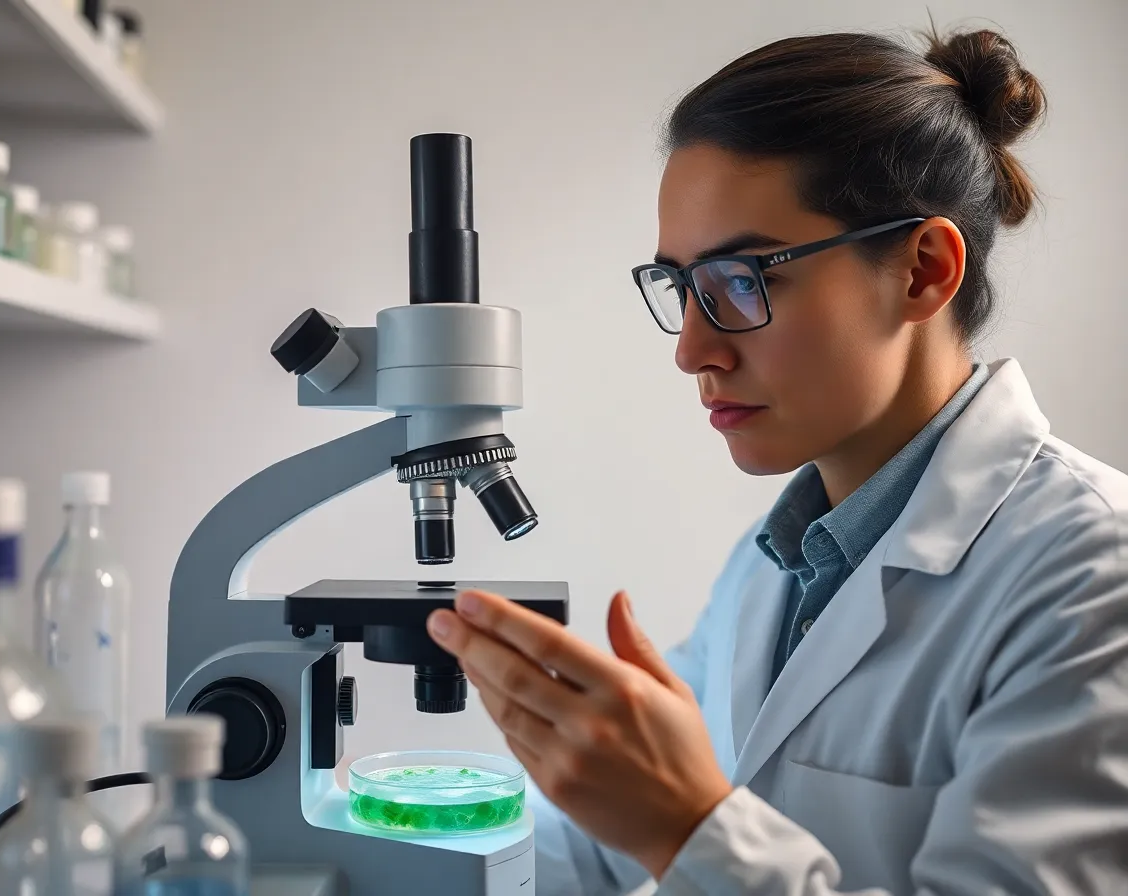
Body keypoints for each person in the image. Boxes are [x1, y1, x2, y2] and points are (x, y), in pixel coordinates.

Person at [425, 24, 1128, 896]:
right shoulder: (775, 569)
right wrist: (373, 842)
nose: (692, 350)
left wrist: (691, 829)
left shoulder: (1096, 574)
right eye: (681, 288)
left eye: (741, 280)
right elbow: (595, 847)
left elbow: (681, 824)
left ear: (922, 271)